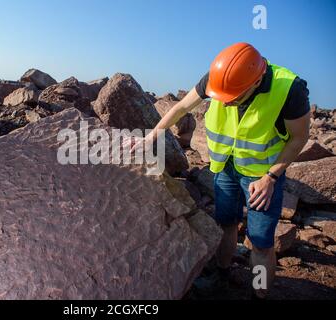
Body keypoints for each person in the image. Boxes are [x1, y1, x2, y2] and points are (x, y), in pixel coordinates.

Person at [133, 42, 310, 299]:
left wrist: (271, 177)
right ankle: (222, 274)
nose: (225, 104)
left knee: (260, 243)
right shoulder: (218, 78)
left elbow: (299, 138)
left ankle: (258, 294)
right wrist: (150, 138)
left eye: (233, 98)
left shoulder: (290, 89)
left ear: (257, 80)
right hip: (225, 167)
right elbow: (181, 107)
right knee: (226, 223)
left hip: (261, 176)